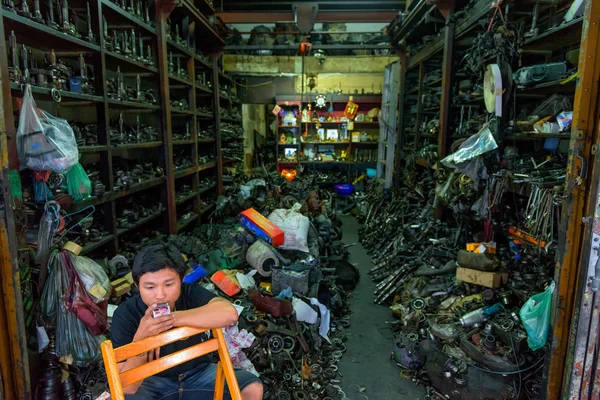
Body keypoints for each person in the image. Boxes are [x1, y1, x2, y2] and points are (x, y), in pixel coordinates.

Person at [110, 244, 263, 400]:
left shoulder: (190, 294)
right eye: (150, 287)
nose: (160, 295)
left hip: (199, 374)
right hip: (152, 382)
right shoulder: (125, 314)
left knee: (252, 389)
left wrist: (173, 318)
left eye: (169, 284)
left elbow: (229, 314)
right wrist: (141, 341)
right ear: (137, 285)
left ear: (181, 280)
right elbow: (127, 387)